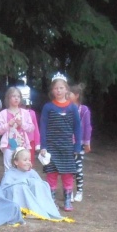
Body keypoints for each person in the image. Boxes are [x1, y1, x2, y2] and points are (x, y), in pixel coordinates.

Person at [39, 73, 81, 211]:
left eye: (61, 88)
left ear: (66, 89)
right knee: (52, 173)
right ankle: (51, 200)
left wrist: (77, 146)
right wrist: (43, 146)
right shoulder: (48, 107)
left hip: (67, 146)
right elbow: (43, 127)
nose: (58, 90)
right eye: (56, 88)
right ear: (52, 90)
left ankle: (67, 199)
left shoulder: (72, 108)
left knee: (68, 173)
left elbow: (77, 127)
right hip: (52, 146)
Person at [1, 147, 73, 222]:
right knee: (20, 187)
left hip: (32, 202)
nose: (28, 162)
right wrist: (20, 184)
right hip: (18, 203)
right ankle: (22, 210)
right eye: (25, 160)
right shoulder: (10, 174)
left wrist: (32, 182)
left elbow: (41, 186)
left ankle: (36, 209)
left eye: (29, 160)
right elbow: (4, 189)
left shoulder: (32, 172)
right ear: (16, 162)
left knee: (38, 183)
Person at [0, 86, 35, 171]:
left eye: (18, 96)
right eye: (13, 96)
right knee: (8, 169)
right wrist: (8, 125)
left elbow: (31, 128)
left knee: (24, 168)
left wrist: (22, 124)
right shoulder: (3, 113)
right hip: (8, 146)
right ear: (8, 98)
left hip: (23, 146)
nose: (16, 98)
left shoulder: (25, 113)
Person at [69, 83, 92, 203]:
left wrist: (87, 142)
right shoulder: (66, 108)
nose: (67, 95)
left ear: (77, 95)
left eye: (70, 93)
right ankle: (69, 191)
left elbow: (87, 127)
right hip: (68, 143)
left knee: (78, 167)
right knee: (69, 168)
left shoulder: (84, 110)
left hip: (80, 143)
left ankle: (79, 191)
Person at [19, 85, 41, 163]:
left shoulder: (32, 113)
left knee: (29, 162)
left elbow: (36, 129)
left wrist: (37, 143)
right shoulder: (15, 113)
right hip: (18, 141)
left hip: (30, 142)